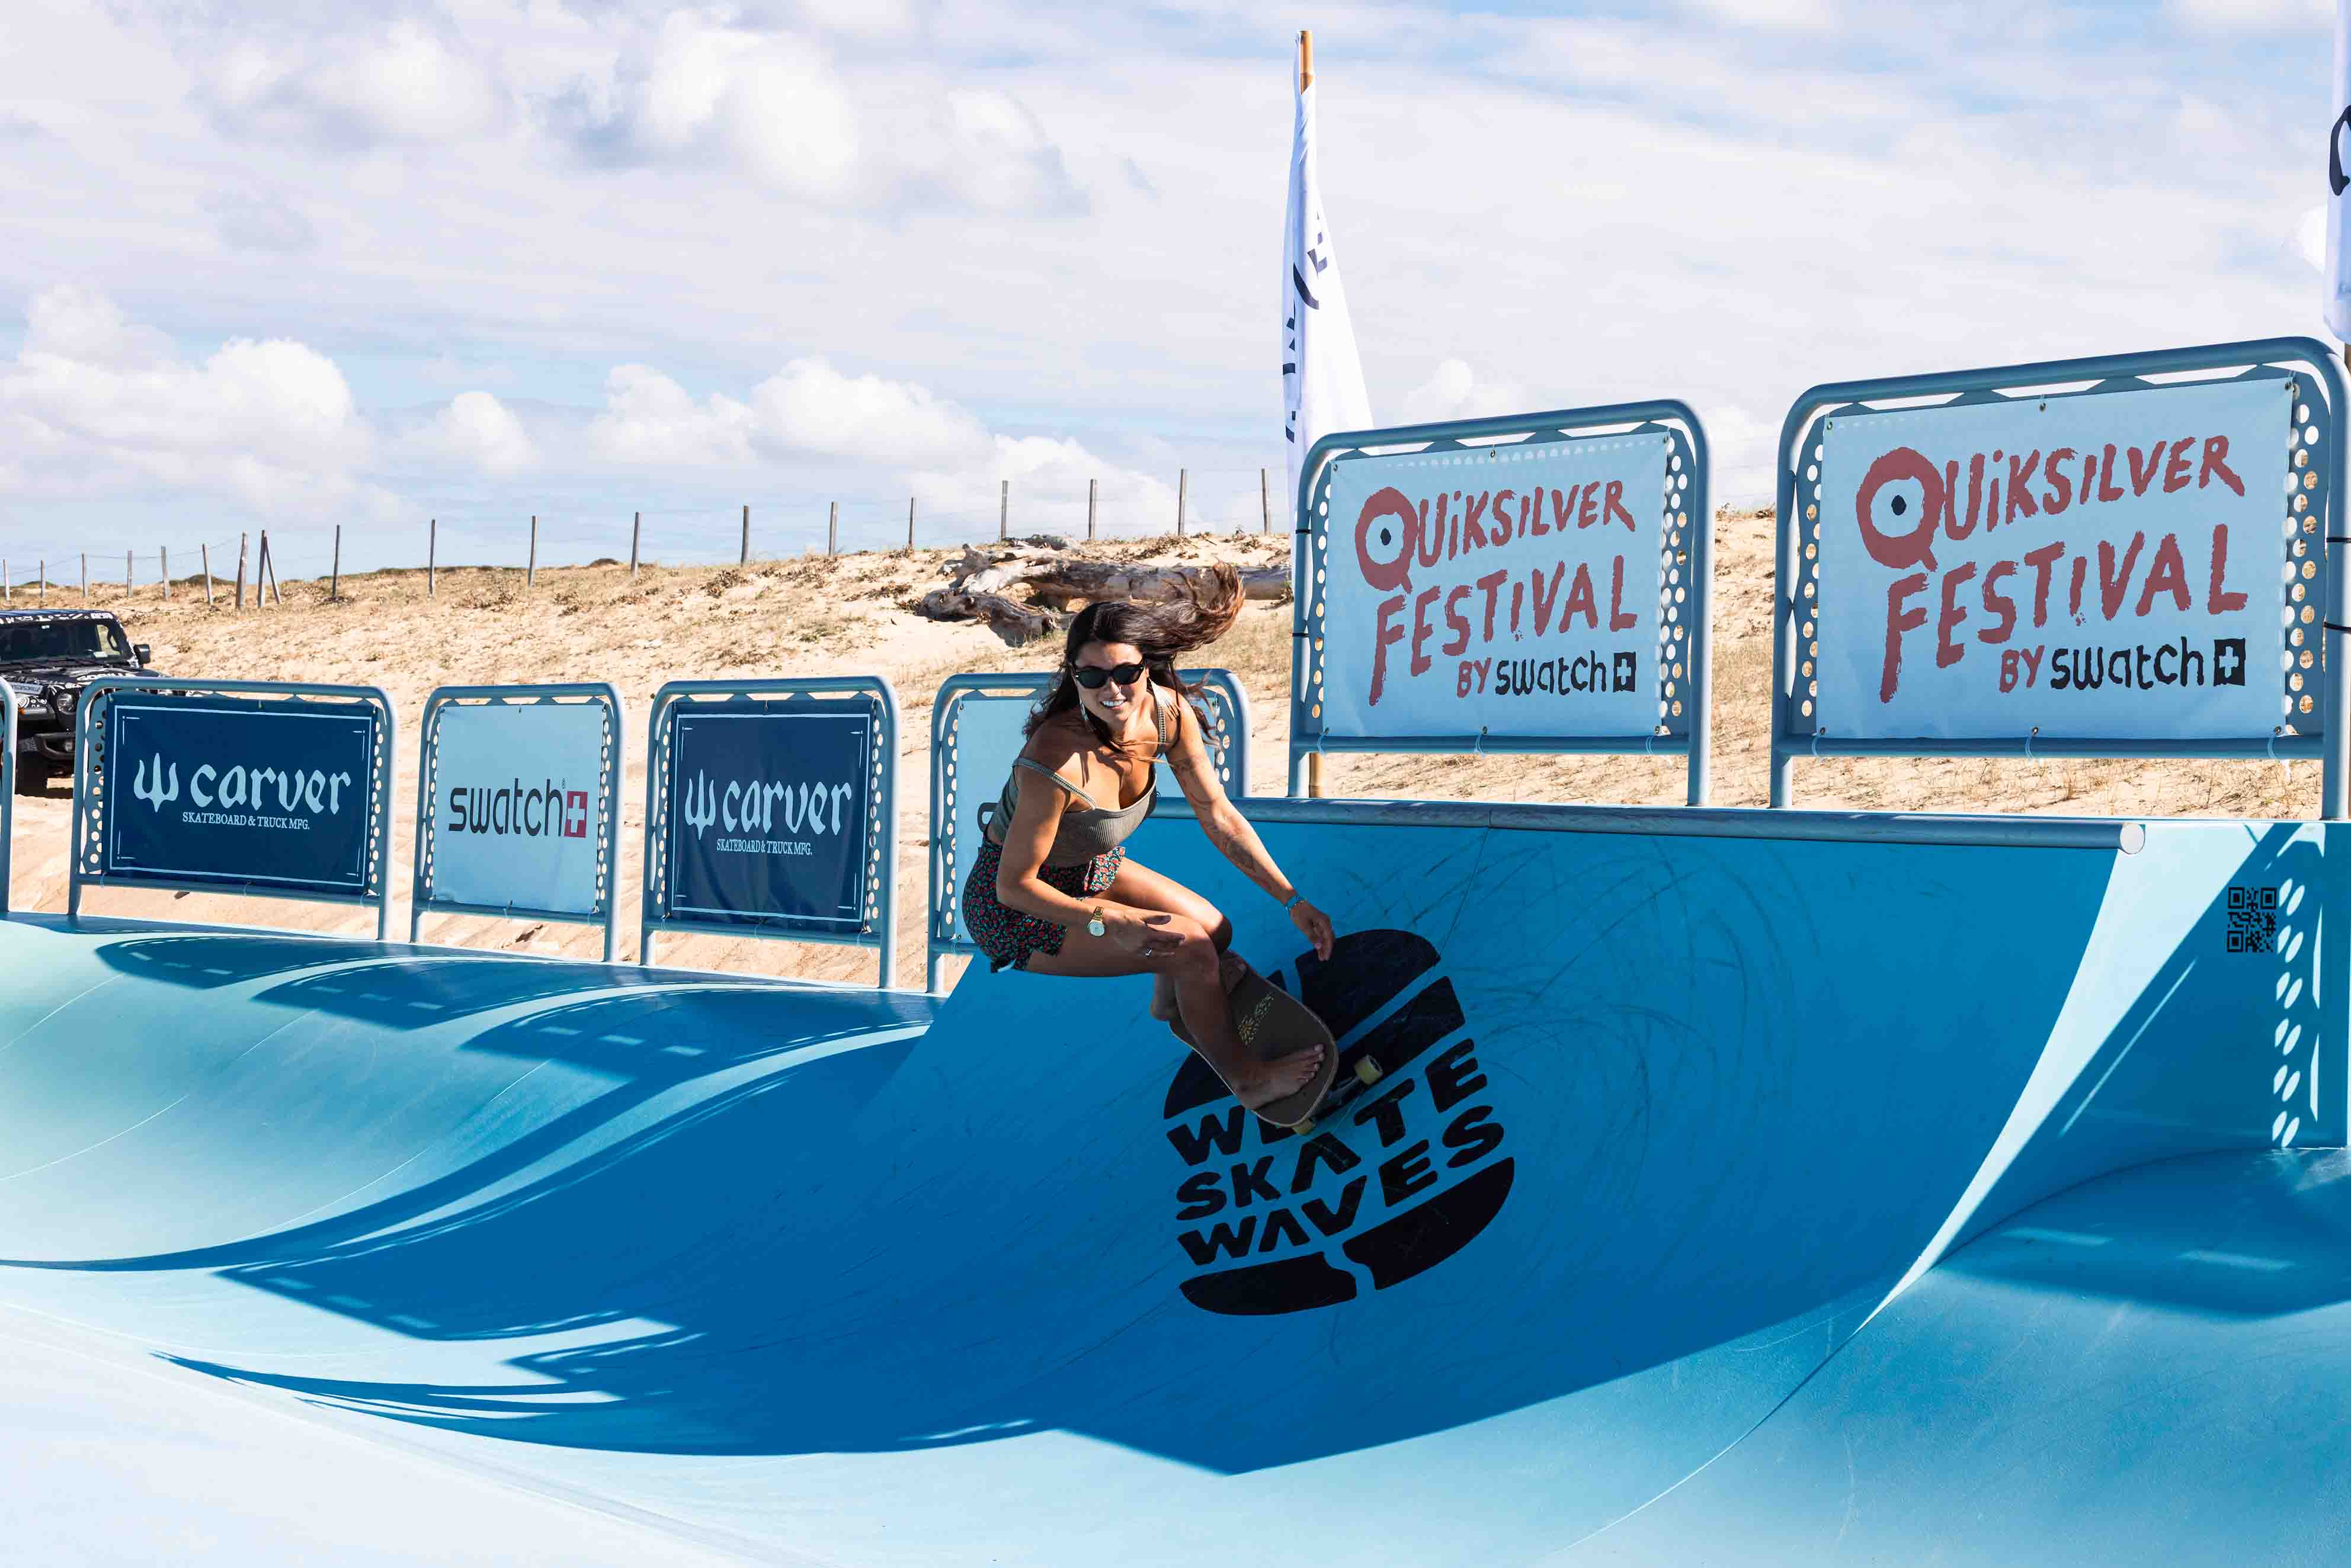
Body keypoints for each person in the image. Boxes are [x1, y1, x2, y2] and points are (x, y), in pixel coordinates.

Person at [963, 566, 1334, 1112]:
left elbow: (1219, 815)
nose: (1111, 691)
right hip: (1017, 910)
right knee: (1191, 949)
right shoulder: (1054, 759)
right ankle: (1249, 1080)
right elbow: (1013, 886)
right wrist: (1107, 919)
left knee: (1216, 932)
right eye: (1092, 677)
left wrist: (1291, 899)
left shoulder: (1168, 716)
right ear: (1073, 676)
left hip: (1090, 870)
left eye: (1126, 673)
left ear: (1147, 666)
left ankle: (1173, 1004)